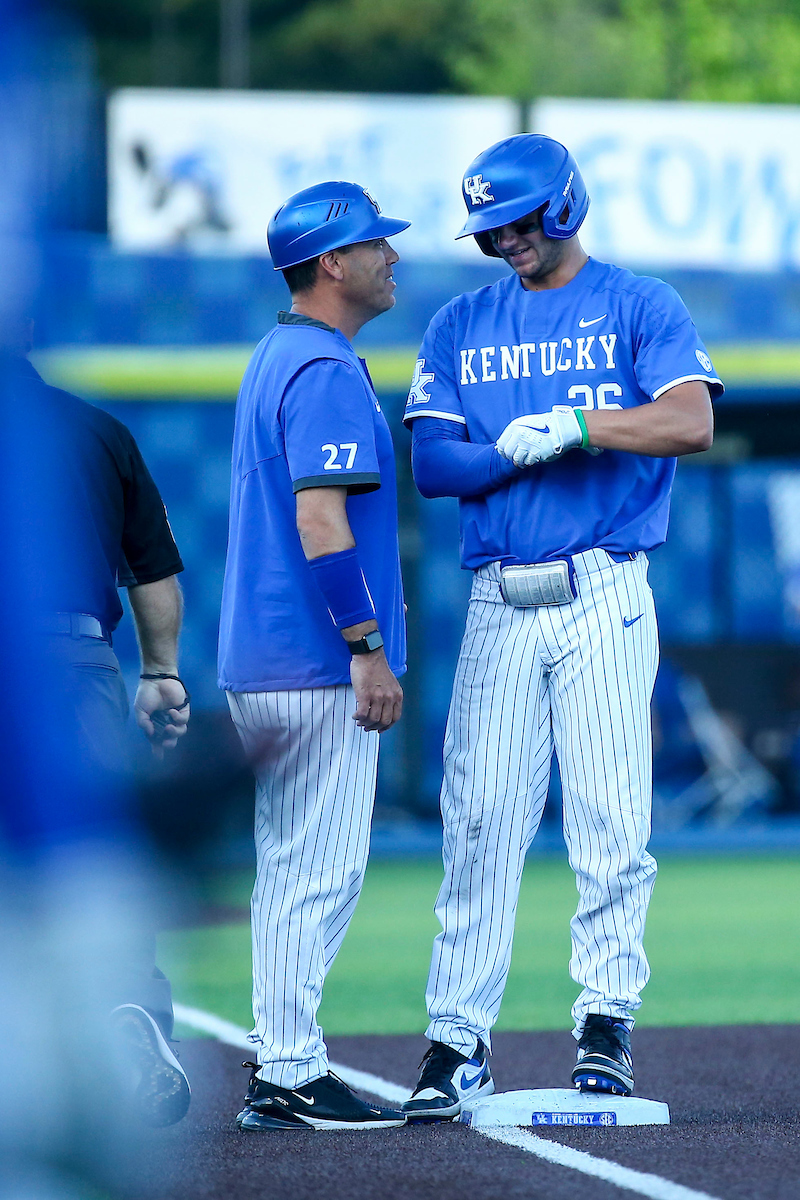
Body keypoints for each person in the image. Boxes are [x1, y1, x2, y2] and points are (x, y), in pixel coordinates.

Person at [401, 134, 722, 1120]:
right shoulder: (460, 321)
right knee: (481, 823)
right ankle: (456, 1042)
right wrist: (517, 446)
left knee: (609, 818)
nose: (505, 243)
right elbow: (434, 467)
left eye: (517, 223)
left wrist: (582, 424)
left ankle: (604, 1025)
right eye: (490, 229)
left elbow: (687, 423)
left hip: (602, 588)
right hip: (501, 594)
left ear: (564, 206)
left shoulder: (639, 303)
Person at [218, 182, 410, 1132]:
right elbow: (320, 518)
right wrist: (365, 649)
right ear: (331, 262)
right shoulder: (324, 366)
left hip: (264, 659)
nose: (391, 256)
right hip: (313, 662)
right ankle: (291, 1070)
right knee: (316, 872)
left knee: (290, 871)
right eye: (376, 243)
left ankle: (279, 1068)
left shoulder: (275, 354)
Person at [2, 329, 192, 1128]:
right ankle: (125, 1011)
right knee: (90, 849)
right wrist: (160, 672)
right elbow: (152, 571)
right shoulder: (95, 429)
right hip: (76, 657)